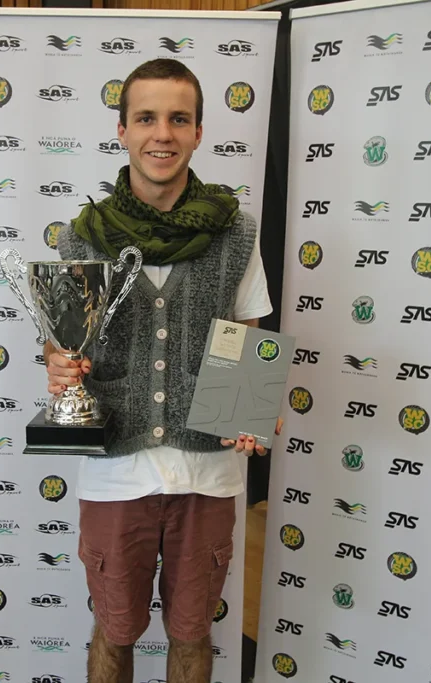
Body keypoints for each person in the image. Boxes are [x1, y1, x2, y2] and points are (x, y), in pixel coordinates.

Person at [45, 59, 280, 683]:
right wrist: (59, 367)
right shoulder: (81, 238)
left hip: (208, 471)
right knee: (114, 632)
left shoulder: (236, 234)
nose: (163, 134)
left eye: (179, 119)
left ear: (198, 132)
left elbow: (247, 332)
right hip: (115, 470)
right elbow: (62, 345)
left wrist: (251, 404)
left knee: (193, 633)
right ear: (122, 130)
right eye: (146, 118)